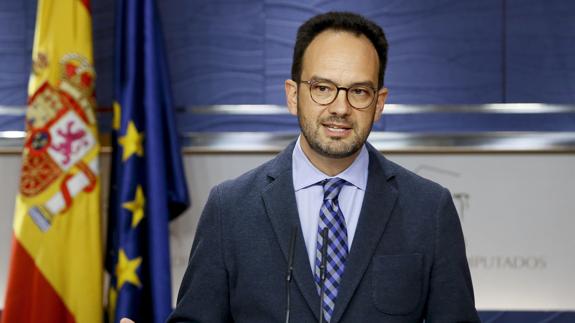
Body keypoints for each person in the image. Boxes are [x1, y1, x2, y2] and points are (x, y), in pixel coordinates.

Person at [168, 11, 480, 323]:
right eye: (322, 88)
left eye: (359, 91)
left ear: (379, 102)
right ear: (293, 96)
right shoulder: (231, 208)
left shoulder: (428, 209)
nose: (340, 108)